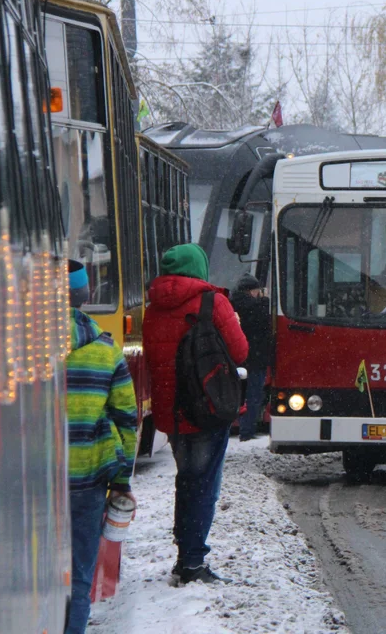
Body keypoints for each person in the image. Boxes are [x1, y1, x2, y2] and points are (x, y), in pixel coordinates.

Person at [143, 244, 248, 585]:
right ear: (198, 267)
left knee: (186, 480)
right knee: (203, 485)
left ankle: (184, 552)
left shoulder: (152, 308)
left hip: (172, 414)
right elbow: (241, 351)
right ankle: (192, 562)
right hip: (205, 407)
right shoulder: (213, 302)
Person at [65, 260, 137, 634]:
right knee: (79, 576)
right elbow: (127, 420)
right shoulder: (106, 351)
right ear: (86, 296)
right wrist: (122, 480)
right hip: (88, 482)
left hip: (29, 484)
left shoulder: (18, 348)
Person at [232, 274, 272, 442]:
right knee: (254, 395)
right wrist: (265, 301)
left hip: (237, 357)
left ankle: (235, 426)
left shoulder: (231, 304)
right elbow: (266, 325)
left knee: (235, 395)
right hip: (256, 358)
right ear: (252, 290)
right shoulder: (259, 307)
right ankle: (247, 431)